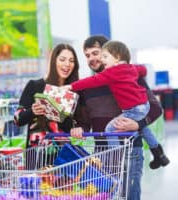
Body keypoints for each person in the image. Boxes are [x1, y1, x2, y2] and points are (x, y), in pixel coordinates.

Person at [69, 35, 164, 200]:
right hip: (101, 154)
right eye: (87, 55)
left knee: (129, 196)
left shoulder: (130, 75)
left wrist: (138, 124)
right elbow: (84, 121)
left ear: (110, 53)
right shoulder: (88, 86)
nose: (92, 58)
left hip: (130, 150)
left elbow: (155, 108)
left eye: (96, 53)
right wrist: (79, 128)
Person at [14, 43, 86, 169]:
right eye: (62, 59)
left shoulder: (75, 92)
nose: (67, 64)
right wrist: (33, 111)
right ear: (53, 61)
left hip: (63, 159)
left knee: (63, 189)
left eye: (71, 61)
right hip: (37, 158)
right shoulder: (34, 86)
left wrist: (79, 127)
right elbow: (17, 119)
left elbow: (80, 123)